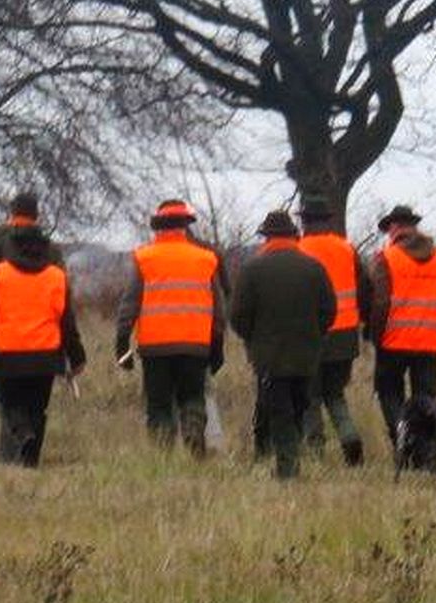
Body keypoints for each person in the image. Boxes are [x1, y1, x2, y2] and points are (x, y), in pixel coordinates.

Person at [0, 201, 85, 467]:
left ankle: (21, 435)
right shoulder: (56, 276)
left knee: (12, 407)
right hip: (46, 355)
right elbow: (67, 320)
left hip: (8, 354)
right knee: (38, 411)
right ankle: (30, 464)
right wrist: (77, 356)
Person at [113, 198, 225, 456]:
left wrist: (122, 342)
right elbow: (218, 311)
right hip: (195, 346)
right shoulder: (206, 259)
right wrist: (217, 346)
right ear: (185, 225)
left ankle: (163, 454)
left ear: (158, 227)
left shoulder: (144, 257)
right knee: (193, 397)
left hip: (155, 348)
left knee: (159, 404)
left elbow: (129, 304)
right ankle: (193, 427)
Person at [230, 209, 335, 479]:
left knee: (279, 410)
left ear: (266, 237)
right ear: (293, 236)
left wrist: (253, 339)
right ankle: (287, 459)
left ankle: (287, 469)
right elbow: (329, 312)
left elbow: (238, 316)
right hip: (307, 355)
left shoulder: (252, 270)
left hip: (269, 357)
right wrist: (314, 336)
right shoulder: (314, 268)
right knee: (299, 407)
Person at [363, 203, 436, 453]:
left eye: (389, 229)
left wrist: (375, 336)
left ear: (394, 228)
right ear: (414, 227)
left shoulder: (386, 258)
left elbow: (380, 304)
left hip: (393, 342)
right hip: (429, 343)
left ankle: (405, 442)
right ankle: (426, 449)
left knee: (389, 393)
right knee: (425, 400)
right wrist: (434, 326)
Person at [0, 192, 66, 409]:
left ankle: (10, 417)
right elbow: (63, 292)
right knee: (33, 397)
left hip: (3, 322)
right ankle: (21, 419)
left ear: (12, 212)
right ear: (36, 215)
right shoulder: (47, 245)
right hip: (42, 331)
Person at [295, 192, 372, 465]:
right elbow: (365, 289)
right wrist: (364, 320)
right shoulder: (346, 248)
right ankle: (349, 437)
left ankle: (316, 452)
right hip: (345, 335)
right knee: (335, 393)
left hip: (310, 336)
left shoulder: (298, 250)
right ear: (327, 220)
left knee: (310, 396)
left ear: (305, 221)